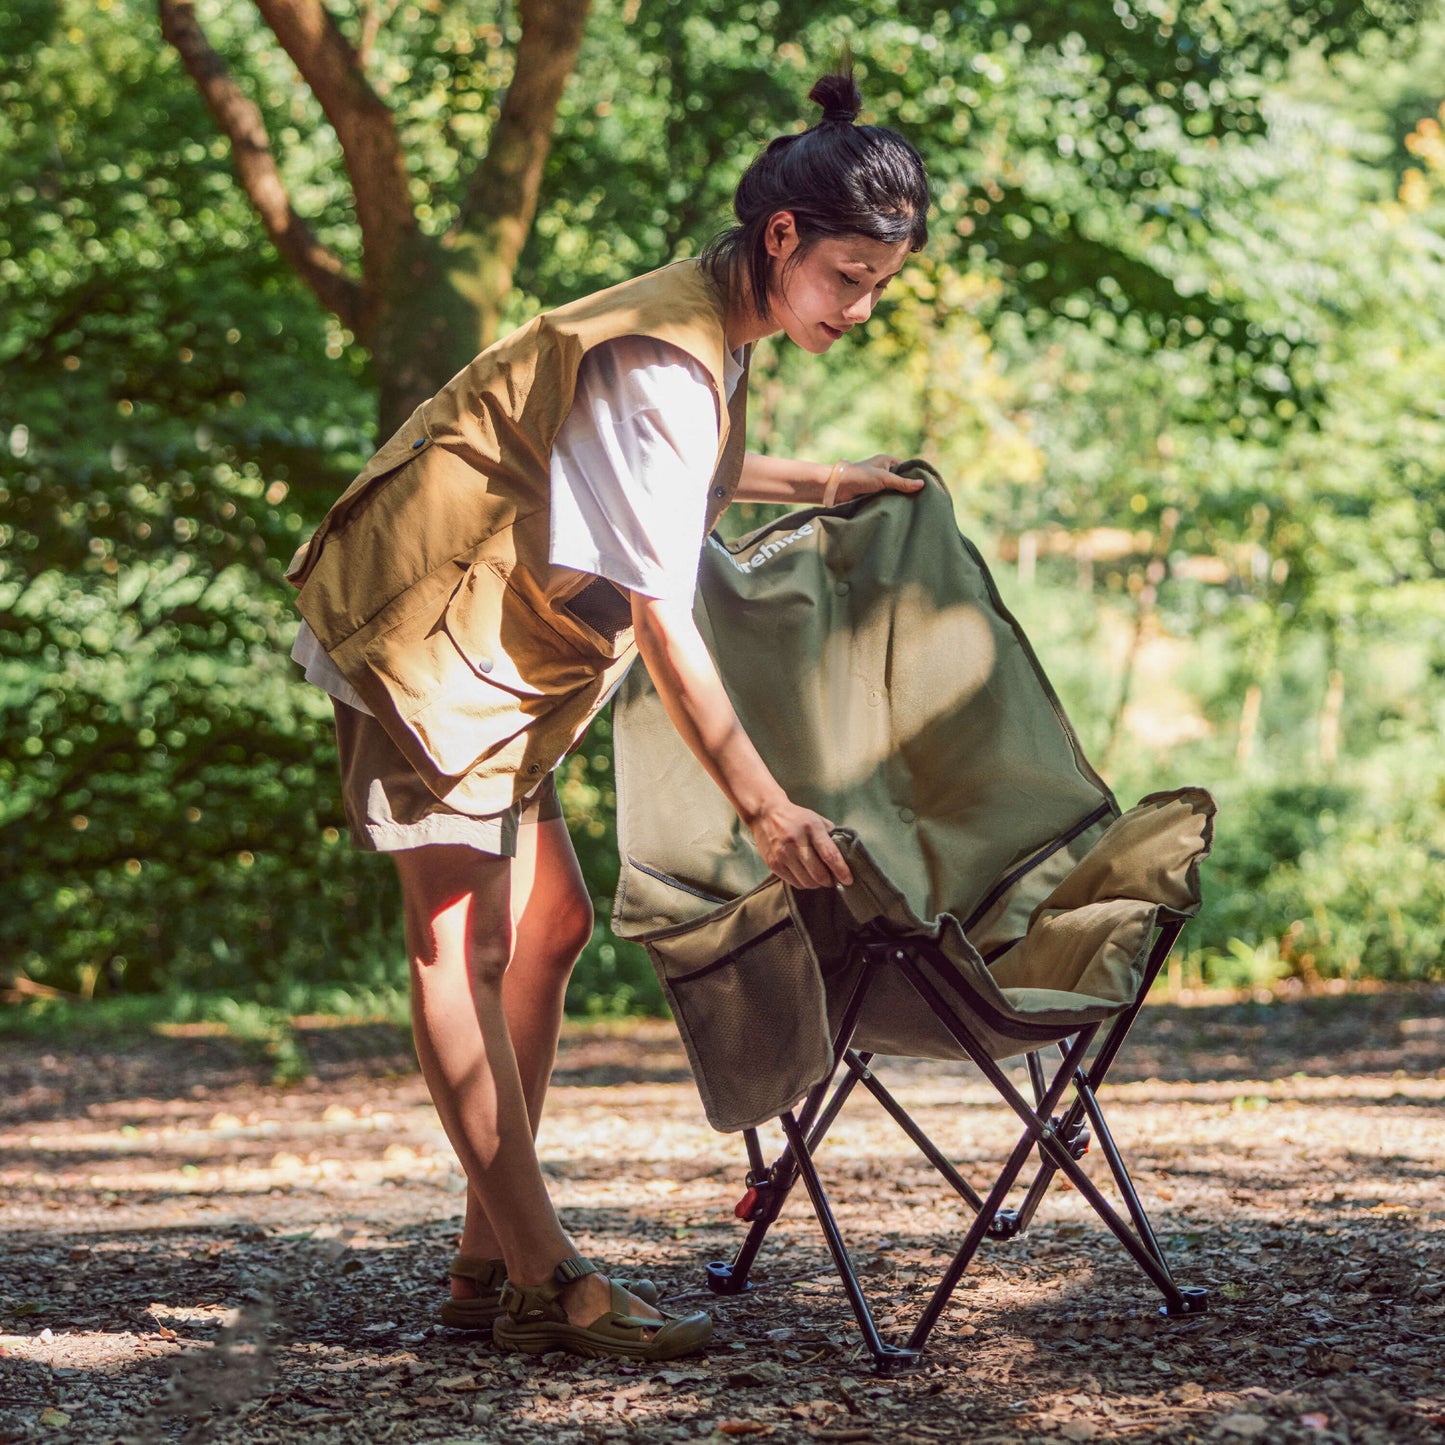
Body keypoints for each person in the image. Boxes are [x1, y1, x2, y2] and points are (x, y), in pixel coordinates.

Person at [286, 64, 930, 1361]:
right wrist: (764, 805)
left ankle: (488, 1256)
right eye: (848, 276)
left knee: (555, 922)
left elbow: (683, 467)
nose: (859, 308)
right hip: (418, 628)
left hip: (495, 647)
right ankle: (546, 1277)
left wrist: (826, 476)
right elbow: (663, 619)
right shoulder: (664, 358)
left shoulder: (710, 333)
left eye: (880, 285)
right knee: (457, 944)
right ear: (783, 237)